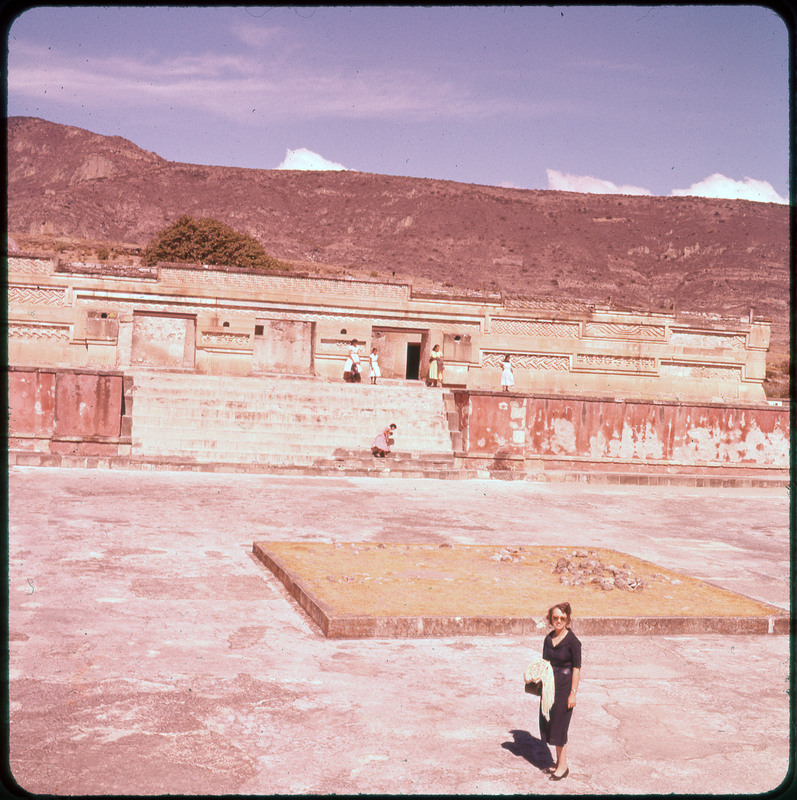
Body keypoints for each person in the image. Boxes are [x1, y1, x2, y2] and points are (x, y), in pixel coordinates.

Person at [539, 602, 581, 781]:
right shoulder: (548, 639)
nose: (558, 621)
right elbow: (544, 663)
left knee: (560, 726)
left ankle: (563, 766)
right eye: (555, 617)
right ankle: (557, 763)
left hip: (564, 688)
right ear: (551, 619)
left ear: (568, 619)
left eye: (562, 618)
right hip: (549, 687)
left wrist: (573, 693)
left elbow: (576, 669)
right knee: (549, 724)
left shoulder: (573, 642)